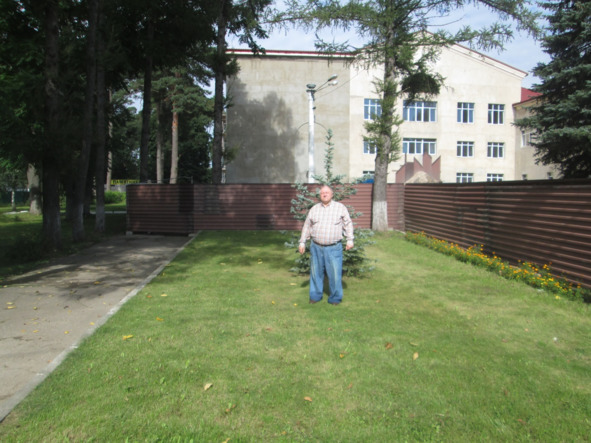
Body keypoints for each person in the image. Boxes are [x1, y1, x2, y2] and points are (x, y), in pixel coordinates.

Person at [298, 185, 354, 305]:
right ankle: (315, 296)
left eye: (327, 192)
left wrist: (350, 240)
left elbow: (348, 224)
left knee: (335, 274)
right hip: (316, 247)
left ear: (332, 194)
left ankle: (335, 298)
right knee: (315, 273)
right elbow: (307, 226)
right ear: (319, 195)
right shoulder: (314, 209)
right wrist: (302, 242)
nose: (324, 194)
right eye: (322, 192)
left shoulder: (340, 208)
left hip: (334, 248)